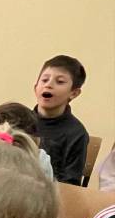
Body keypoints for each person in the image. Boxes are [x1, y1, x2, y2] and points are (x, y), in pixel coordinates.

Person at [33, 55, 89, 185]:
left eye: (60, 82)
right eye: (45, 80)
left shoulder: (77, 133)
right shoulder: (19, 120)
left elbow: (71, 183)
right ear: (35, 88)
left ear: (74, 93)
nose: (49, 85)